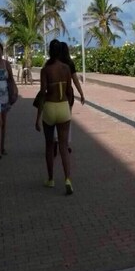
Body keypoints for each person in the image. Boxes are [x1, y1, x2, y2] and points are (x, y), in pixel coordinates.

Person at [35, 40, 74, 195]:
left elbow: (43, 93)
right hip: (63, 107)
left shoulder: (45, 70)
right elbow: (69, 90)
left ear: (50, 51)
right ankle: (68, 179)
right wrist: (69, 106)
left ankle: (51, 179)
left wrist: (37, 117)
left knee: (49, 146)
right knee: (64, 147)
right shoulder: (66, 68)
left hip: (50, 108)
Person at [53, 41, 85, 154]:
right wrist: (81, 93)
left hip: (55, 94)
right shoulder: (69, 63)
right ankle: (66, 144)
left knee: (55, 119)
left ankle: (55, 140)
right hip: (67, 94)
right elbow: (75, 80)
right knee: (67, 120)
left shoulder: (53, 63)